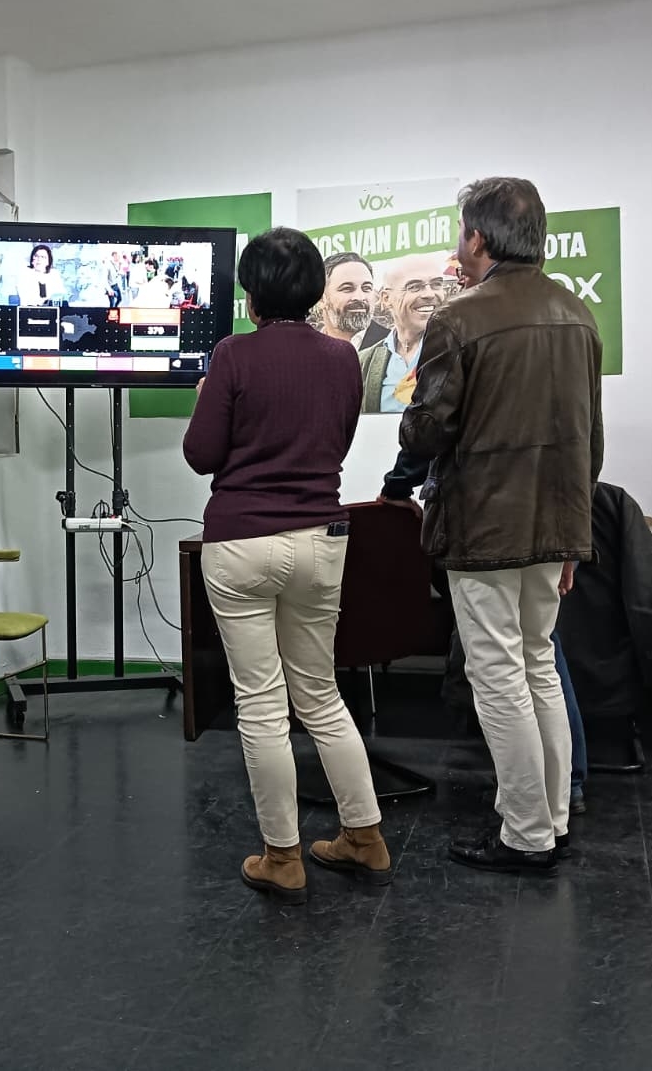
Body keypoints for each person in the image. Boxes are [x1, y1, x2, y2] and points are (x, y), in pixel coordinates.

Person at [399, 177, 603, 875]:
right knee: (538, 663)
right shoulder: (577, 313)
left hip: (483, 525)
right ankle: (553, 819)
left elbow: (427, 431)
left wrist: (411, 414)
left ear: (478, 238)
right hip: (557, 521)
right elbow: (591, 439)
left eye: (462, 232)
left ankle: (524, 833)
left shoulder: (458, 320)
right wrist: (575, 535)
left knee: (498, 676)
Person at [183, 227, 390, 904]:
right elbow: (338, 441)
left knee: (261, 705)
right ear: (313, 294)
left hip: (242, 541)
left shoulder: (232, 354)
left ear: (250, 297)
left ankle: (282, 856)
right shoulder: (342, 357)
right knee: (321, 694)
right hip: (322, 537)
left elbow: (201, 454)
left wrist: (209, 396)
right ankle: (364, 837)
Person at [357, 252, 454, 414]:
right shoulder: (364, 361)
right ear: (386, 298)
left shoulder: (460, 350)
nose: (429, 294)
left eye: (436, 284)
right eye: (414, 286)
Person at [316, 252, 376, 347]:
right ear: (321, 299)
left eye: (366, 288)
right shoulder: (303, 347)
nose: (359, 297)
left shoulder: (393, 345)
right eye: (347, 288)